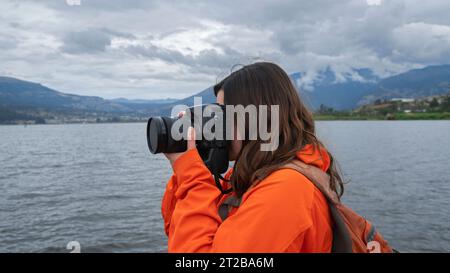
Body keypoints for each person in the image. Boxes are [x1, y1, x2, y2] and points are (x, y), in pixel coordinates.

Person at [161, 62, 344, 252]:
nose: (214, 124)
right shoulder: (248, 176)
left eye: (222, 114)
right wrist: (193, 168)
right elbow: (179, 231)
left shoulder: (287, 189)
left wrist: (192, 176)